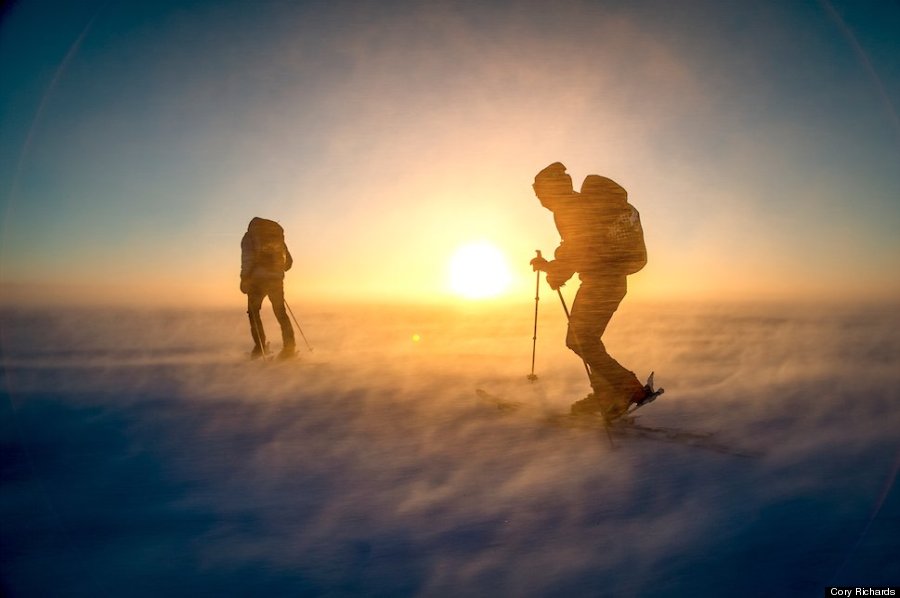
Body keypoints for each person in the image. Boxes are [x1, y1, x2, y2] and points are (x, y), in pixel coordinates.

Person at [530, 162, 650, 420]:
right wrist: (554, 267)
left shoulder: (570, 208)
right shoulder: (579, 205)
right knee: (585, 339)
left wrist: (556, 271)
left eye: (541, 194)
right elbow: (577, 246)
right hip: (610, 279)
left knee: (580, 340)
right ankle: (609, 394)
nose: (541, 201)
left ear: (553, 190)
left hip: (603, 281)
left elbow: (580, 247)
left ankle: (627, 389)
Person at [240, 217, 295, 359]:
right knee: (280, 313)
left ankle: (259, 348)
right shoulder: (277, 236)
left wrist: (244, 279)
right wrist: (276, 271)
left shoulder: (249, 237)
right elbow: (288, 263)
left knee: (254, 313)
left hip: (257, 281)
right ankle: (289, 349)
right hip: (276, 280)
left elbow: (247, 259)